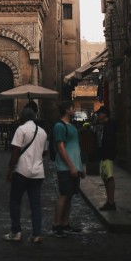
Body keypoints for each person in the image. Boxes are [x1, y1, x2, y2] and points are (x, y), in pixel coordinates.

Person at [4, 106, 47, 243]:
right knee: (36, 204)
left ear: (23, 117)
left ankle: (16, 232)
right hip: (38, 173)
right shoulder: (42, 132)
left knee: (15, 201)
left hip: (22, 171)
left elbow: (15, 151)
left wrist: (10, 169)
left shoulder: (21, 129)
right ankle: (37, 234)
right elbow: (44, 152)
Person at [52, 101, 84, 237]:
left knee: (70, 195)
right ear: (66, 110)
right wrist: (71, 166)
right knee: (64, 194)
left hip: (74, 166)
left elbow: (76, 147)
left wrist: (80, 166)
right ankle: (56, 224)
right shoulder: (60, 126)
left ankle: (65, 223)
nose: (74, 109)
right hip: (65, 167)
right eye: (72, 108)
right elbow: (61, 147)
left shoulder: (71, 126)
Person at [96, 106, 117, 211]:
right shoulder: (104, 125)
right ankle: (109, 201)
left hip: (108, 155)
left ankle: (111, 202)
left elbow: (109, 141)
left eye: (100, 113)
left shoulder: (110, 125)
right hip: (104, 156)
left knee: (109, 177)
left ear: (105, 114)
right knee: (105, 177)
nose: (98, 115)